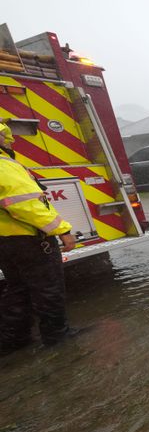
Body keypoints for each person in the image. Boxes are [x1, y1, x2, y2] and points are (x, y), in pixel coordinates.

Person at [0, 124, 77, 355]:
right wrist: (62, 230)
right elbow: (26, 204)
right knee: (48, 289)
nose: (10, 142)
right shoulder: (4, 165)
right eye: (5, 137)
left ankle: (13, 340)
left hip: (6, 241)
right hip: (27, 239)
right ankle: (58, 339)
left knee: (18, 289)